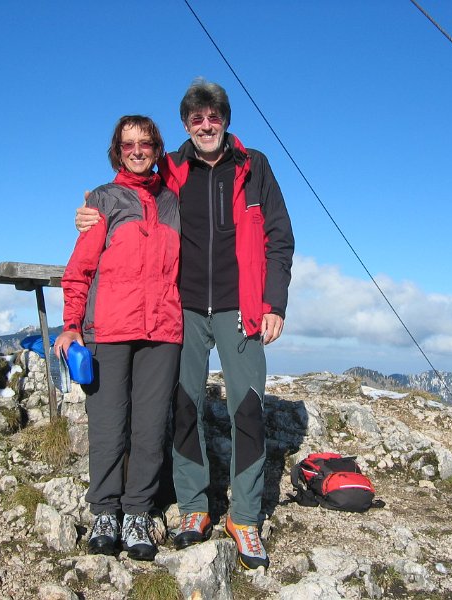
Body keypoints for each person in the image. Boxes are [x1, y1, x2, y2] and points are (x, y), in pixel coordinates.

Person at [76, 79, 294, 570]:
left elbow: (279, 238)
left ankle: (244, 517)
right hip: (183, 308)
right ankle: (194, 506)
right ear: (186, 124)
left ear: (226, 120)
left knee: (247, 409)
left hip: (242, 309)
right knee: (184, 406)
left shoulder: (255, 165)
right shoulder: (171, 168)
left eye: (214, 116)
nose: (206, 125)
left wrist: (274, 303)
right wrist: (92, 213)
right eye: (197, 118)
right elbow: (132, 193)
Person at [56, 115, 182, 561]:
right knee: (108, 426)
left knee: (150, 427)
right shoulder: (103, 200)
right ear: (118, 151)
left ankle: (137, 513)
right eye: (128, 144)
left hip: (163, 331)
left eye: (145, 143)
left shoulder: (173, 203)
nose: (137, 151)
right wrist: (71, 324)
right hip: (107, 329)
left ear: (156, 149)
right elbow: (80, 270)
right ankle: (105, 512)